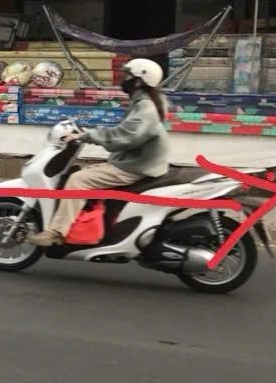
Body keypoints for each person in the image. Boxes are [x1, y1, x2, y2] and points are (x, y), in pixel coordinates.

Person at [29, 57, 170, 247]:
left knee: (78, 180)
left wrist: (86, 136)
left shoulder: (146, 108)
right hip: (136, 161)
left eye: (127, 76)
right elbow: (124, 132)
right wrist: (90, 133)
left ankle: (56, 232)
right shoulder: (147, 102)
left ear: (138, 81)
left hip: (136, 166)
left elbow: (124, 136)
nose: (124, 80)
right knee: (86, 172)